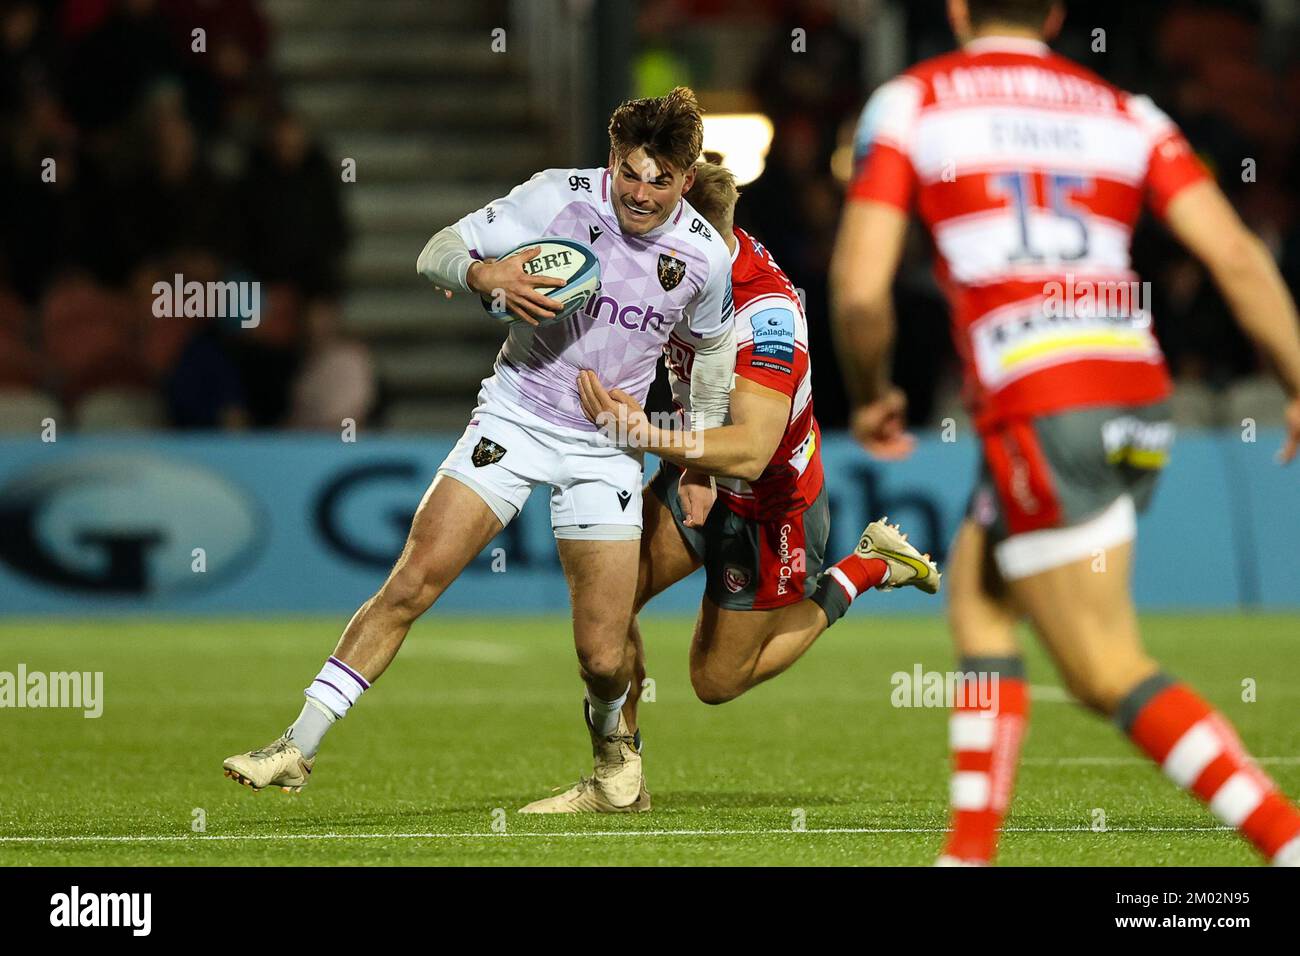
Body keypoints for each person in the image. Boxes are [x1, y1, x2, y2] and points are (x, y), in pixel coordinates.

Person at [831, 0, 1300, 866]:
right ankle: (968, 854)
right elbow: (1237, 255)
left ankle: (1284, 839)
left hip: (1044, 401)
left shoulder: (914, 101)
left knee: (1102, 668)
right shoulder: (1127, 112)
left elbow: (860, 290)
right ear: (1052, 14)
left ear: (958, 8)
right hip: (1134, 392)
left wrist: (871, 394)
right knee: (978, 597)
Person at [224, 88, 736, 817]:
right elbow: (437, 251)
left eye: (660, 180)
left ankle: (613, 761)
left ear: (687, 180)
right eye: (629, 172)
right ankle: (295, 745)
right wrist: (484, 274)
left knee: (601, 654)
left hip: (607, 446)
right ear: (611, 161)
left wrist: (698, 462)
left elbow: (713, 358)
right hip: (515, 420)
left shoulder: (707, 256)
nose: (641, 193)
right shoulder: (557, 197)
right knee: (411, 582)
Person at [569, 160, 937, 814]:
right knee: (610, 597)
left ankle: (867, 566)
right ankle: (619, 779)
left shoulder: (766, 315)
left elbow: (751, 448)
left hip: (769, 503)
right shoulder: (676, 264)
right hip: (697, 466)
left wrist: (642, 433)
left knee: (715, 680)